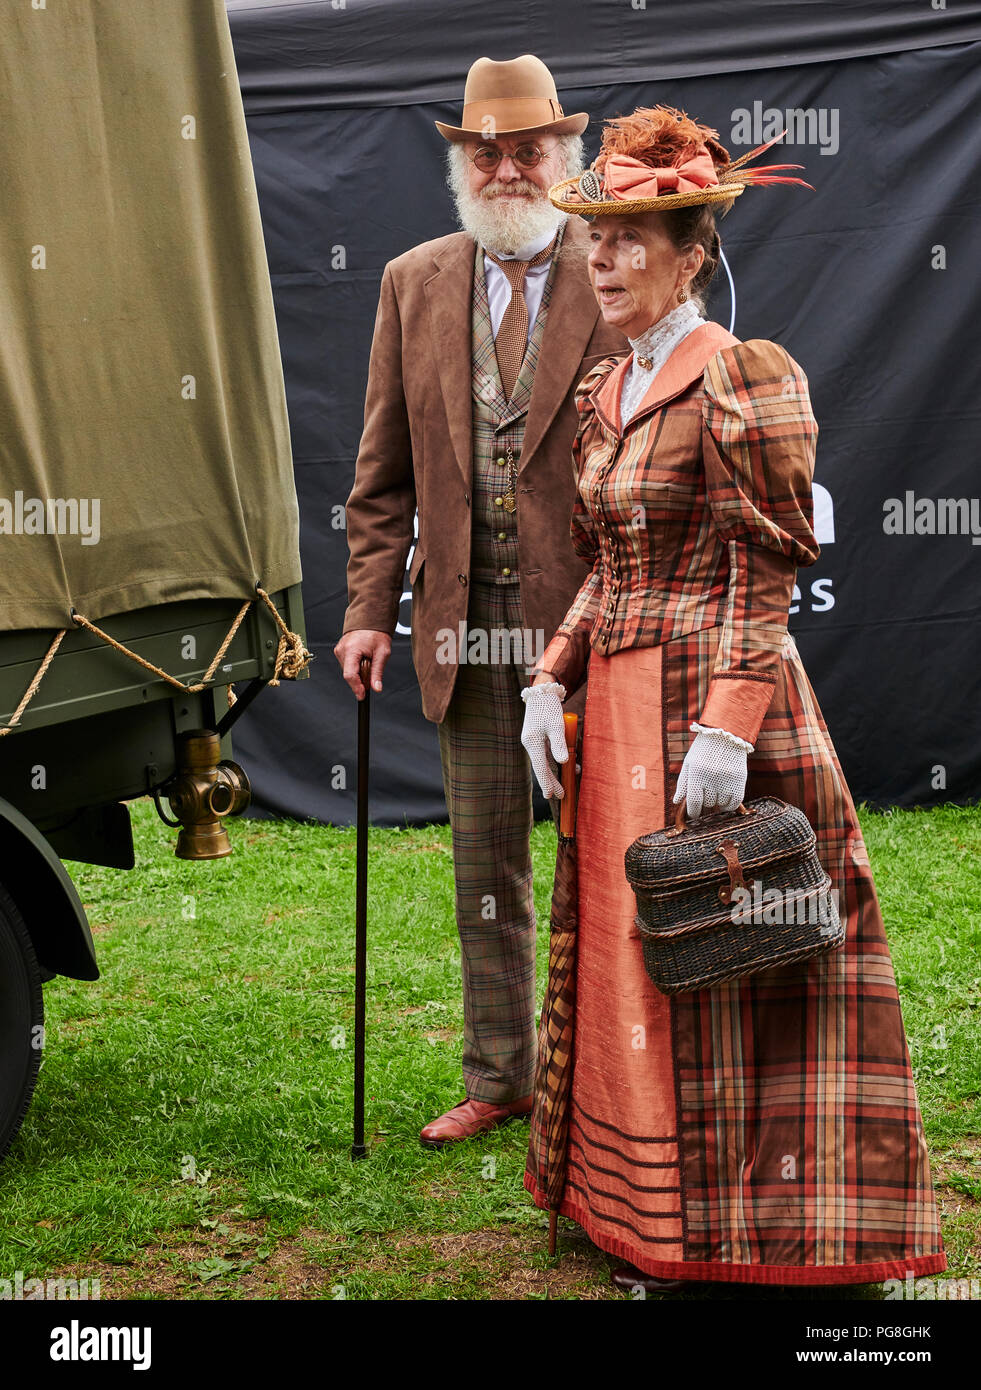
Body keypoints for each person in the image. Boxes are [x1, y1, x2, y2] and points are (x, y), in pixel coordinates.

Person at [519, 106, 946, 1289]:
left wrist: (726, 728)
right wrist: (547, 676)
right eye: (594, 238)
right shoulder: (613, 386)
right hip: (616, 710)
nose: (603, 260)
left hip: (711, 709)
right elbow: (612, 565)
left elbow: (763, 573)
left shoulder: (742, 377)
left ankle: (741, 1236)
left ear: (693, 251)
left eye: (632, 239)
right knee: (634, 948)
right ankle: (640, 1219)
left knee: (730, 951)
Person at [334, 56, 625, 1147]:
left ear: (564, 157)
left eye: (527, 149)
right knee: (485, 868)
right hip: (462, 623)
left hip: (590, 626)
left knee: (608, 852)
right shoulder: (413, 281)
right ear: (462, 161)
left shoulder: (613, 271)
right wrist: (369, 610)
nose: (506, 167)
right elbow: (383, 479)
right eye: (484, 150)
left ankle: (606, 1073)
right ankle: (502, 1074)